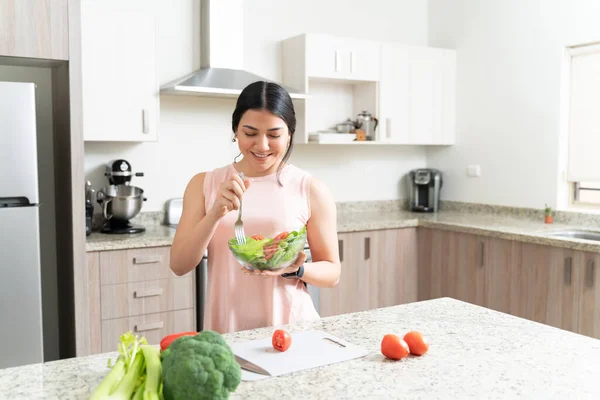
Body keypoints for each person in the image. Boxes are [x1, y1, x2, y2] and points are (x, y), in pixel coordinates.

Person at [170, 81, 341, 334]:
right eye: (250, 133)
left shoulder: (310, 188)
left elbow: (332, 271)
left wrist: (298, 269)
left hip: (291, 328)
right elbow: (179, 265)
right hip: (227, 328)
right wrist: (216, 212)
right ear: (235, 132)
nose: (262, 145)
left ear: (289, 134)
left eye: (274, 135)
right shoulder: (204, 184)